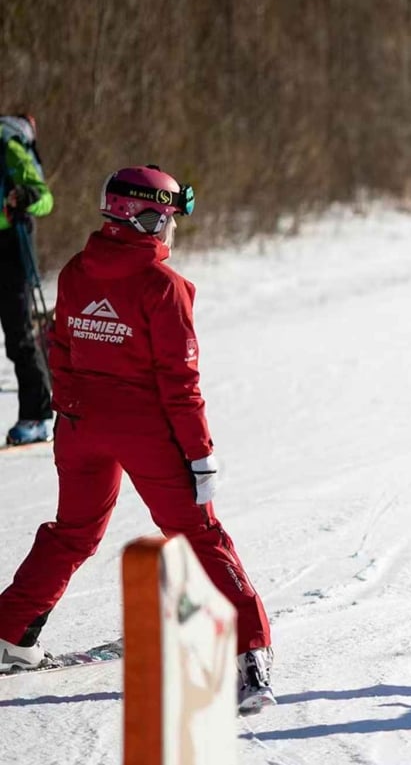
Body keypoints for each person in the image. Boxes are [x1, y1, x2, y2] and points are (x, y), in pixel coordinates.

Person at [0, 165, 275, 714]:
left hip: (81, 427)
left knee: (73, 532)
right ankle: (250, 655)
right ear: (145, 219)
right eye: (168, 218)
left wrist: (69, 412)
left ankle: (9, 632)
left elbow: (61, 350)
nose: (172, 229)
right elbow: (180, 382)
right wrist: (199, 454)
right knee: (198, 532)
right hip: (146, 431)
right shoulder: (163, 286)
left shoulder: (76, 271)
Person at [0, 114, 54, 445]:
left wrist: (25, 197)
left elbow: (45, 198)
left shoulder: (9, 145)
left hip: (10, 247)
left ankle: (37, 415)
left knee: (19, 335)